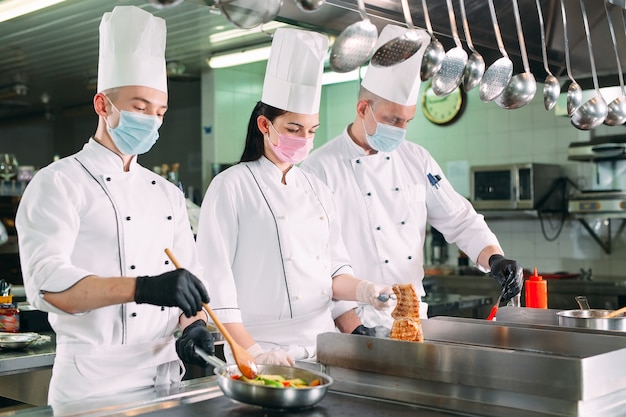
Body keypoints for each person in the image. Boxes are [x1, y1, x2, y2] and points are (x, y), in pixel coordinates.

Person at [15, 6, 214, 405]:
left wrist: (194, 323)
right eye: (140, 107)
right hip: (93, 382)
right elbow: (48, 284)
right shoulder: (58, 182)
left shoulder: (166, 193)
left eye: (159, 112)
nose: (152, 121)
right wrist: (144, 288)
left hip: (163, 377)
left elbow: (187, 281)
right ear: (102, 105)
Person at [300, 25, 524, 334]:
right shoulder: (318, 169)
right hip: (352, 321)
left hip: (413, 315)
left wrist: (493, 257)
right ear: (363, 108)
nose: (400, 130)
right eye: (393, 120)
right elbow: (317, 262)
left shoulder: (416, 159)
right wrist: (351, 326)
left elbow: (459, 219)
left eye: (406, 121)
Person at [195, 28, 393, 366]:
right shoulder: (231, 186)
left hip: (321, 347)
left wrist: (365, 291)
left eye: (311, 131)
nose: (304, 139)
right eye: (293, 129)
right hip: (258, 348)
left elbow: (333, 273)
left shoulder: (318, 190)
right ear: (264, 125)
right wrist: (253, 352)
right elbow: (216, 283)